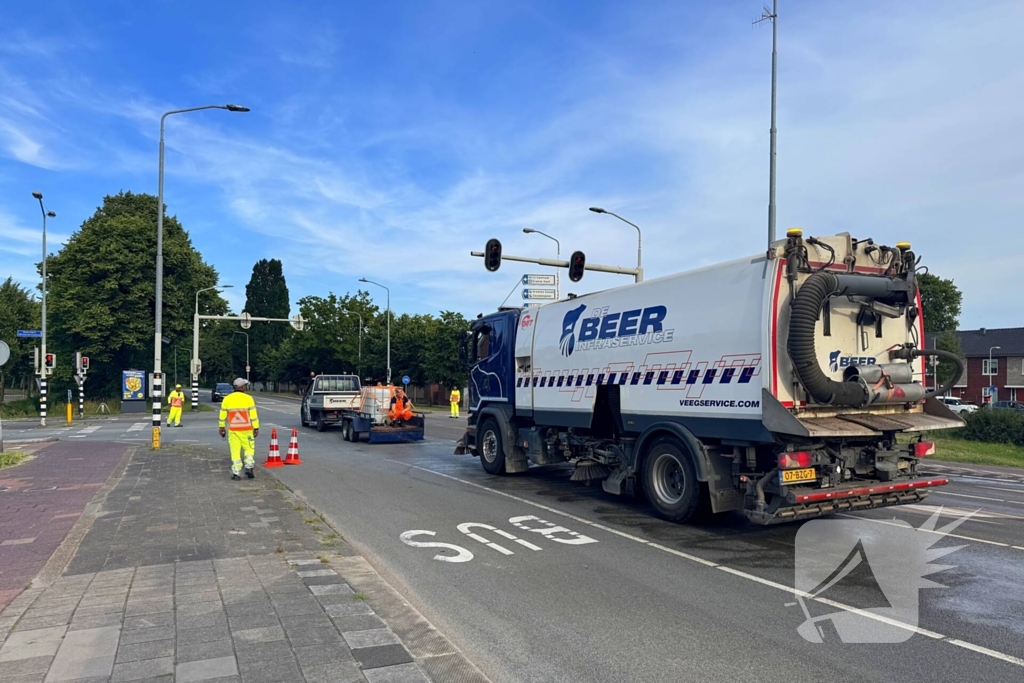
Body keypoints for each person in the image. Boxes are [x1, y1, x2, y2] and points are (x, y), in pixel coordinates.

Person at [218, 378, 260, 480]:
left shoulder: (227, 399)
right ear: (241, 387)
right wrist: (256, 428)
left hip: (233, 430)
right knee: (249, 449)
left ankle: (236, 473)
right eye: (245, 385)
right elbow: (253, 415)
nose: (245, 387)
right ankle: (249, 468)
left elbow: (222, 415)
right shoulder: (248, 398)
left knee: (235, 451)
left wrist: (221, 427)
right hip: (247, 430)